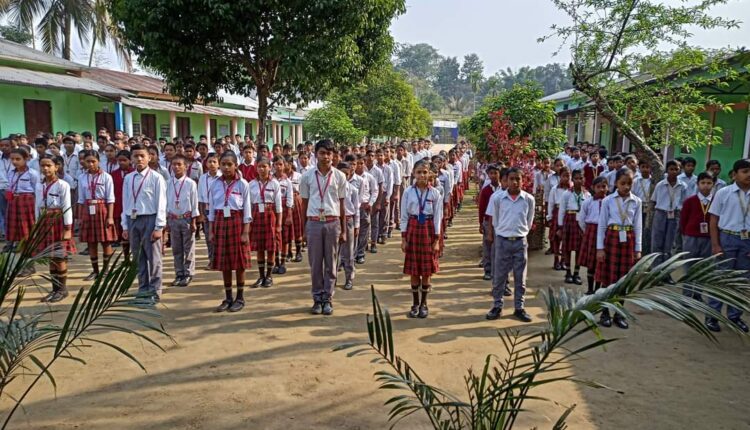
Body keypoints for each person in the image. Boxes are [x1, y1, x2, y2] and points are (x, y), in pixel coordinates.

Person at [300, 139, 348, 316]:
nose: (326, 157)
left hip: (332, 222)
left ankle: (327, 298)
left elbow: (342, 205)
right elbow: (304, 204)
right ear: (316, 155)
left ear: (333, 155)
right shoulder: (307, 177)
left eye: (329, 153)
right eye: (322, 153)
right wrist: (303, 229)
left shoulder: (340, 176)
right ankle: (317, 298)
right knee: (315, 264)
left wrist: (343, 230)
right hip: (313, 222)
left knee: (331, 263)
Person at [485, 167, 534, 322]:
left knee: (520, 277)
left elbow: (529, 221)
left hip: (520, 241)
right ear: (506, 180)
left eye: (518, 179)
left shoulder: (528, 199)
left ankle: (519, 307)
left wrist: (520, 233)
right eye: (511, 179)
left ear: (522, 180)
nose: (514, 182)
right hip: (502, 241)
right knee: (499, 275)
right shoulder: (498, 198)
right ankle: (497, 306)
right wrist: (499, 233)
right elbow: (495, 220)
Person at [707, 159, 750, 333]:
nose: (748, 175)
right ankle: (712, 315)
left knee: (742, 280)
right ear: (735, 174)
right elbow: (713, 220)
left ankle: (734, 316)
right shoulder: (723, 193)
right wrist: (715, 244)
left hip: (747, 241)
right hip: (727, 238)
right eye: (745, 171)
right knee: (721, 277)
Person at [596, 167, 642, 329]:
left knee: (624, 279)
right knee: (608, 279)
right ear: (616, 183)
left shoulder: (637, 201)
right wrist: (600, 248)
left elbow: (638, 226)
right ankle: (605, 313)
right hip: (612, 238)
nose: (626, 187)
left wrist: (638, 249)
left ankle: (619, 313)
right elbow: (602, 225)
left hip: (628, 240)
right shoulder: (608, 200)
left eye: (629, 183)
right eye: (623, 183)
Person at [121, 144, 167, 303]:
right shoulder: (128, 178)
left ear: (149, 157)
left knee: (154, 258)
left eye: (142, 156)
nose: (139, 159)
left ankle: (155, 291)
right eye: (136, 156)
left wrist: (159, 227)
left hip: (150, 219)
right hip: (133, 219)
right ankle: (143, 289)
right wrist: (125, 225)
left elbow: (161, 203)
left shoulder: (156, 178)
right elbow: (125, 202)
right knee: (138, 257)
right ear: (131, 159)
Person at [208, 151, 252, 312]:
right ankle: (228, 297)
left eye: (229, 164)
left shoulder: (243, 184)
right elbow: (212, 209)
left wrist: (245, 232)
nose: (226, 167)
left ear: (236, 165)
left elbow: (247, 210)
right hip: (220, 222)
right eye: (223, 164)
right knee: (224, 263)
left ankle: (240, 297)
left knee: (239, 263)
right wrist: (211, 230)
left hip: (237, 222)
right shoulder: (215, 184)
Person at [399, 160, 442, 318]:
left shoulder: (435, 193)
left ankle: (424, 303)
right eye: (419, 172)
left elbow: (437, 218)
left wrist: (436, 240)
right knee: (414, 270)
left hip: (428, 231)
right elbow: (404, 216)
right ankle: (415, 303)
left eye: (425, 172)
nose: (422, 175)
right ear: (413, 173)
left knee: (427, 270)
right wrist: (403, 238)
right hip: (413, 228)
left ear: (429, 173)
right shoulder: (408, 192)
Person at [35, 155, 76, 302]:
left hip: (58, 221)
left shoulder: (62, 185)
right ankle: (54, 289)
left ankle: (62, 289)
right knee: (50, 257)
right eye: (42, 165)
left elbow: (67, 207)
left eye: (49, 165)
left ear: (56, 167)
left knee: (59, 257)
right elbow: (37, 205)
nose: (45, 168)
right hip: (45, 221)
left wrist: (68, 228)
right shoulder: (39, 185)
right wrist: (37, 224)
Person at [78, 150, 117, 281]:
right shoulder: (82, 177)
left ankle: (106, 270)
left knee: (106, 242)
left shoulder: (106, 177)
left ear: (98, 161)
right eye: (88, 161)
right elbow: (81, 199)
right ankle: (95, 271)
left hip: (102, 209)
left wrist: (110, 217)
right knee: (91, 242)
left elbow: (110, 199)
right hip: (88, 209)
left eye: (93, 161)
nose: (90, 164)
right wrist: (80, 217)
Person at [680, 171, 715, 301]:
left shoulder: (716, 201)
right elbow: (683, 220)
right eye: (703, 183)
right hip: (691, 238)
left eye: (709, 183)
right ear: (697, 184)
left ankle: (698, 294)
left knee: (704, 267)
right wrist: (686, 234)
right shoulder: (690, 201)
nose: (706, 186)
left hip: (709, 238)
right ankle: (687, 295)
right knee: (689, 266)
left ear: (713, 184)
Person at [166, 155, 199, 287]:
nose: (176, 167)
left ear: (186, 166)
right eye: (174, 164)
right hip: (173, 218)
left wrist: (194, 221)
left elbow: (194, 204)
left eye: (179, 164)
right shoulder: (168, 183)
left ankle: (188, 273)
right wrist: (167, 221)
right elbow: (166, 202)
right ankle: (179, 273)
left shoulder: (190, 183)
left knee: (188, 248)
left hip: (186, 218)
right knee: (176, 248)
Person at [249, 157, 282, 288]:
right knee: (260, 248)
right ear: (256, 168)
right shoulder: (251, 184)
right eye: (259, 167)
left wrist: (279, 224)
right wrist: (249, 222)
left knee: (271, 248)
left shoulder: (275, 184)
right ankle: (261, 275)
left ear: (270, 167)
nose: (262, 169)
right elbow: (249, 205)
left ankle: (269, 276)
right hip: (256, 215)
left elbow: (278, 206)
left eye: (264, 166)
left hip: (270, 216)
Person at [650, 160, 686, 268]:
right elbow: (654, 200)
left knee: (670, 242)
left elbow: (684, 202)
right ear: (667, 170)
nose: (674, 171)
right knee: (657, 241)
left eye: (676, 169)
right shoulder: (660, 185)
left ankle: (666, 268)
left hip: (675, 214)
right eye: (671, 169)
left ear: (680, 170)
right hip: (661, 213)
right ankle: (655, 268)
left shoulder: (683, 186)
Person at [557, 169, 590, 284]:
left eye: (581, 178)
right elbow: (562, 210)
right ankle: (568, 272)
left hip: (581, 222)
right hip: (569, 221)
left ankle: (576, 273)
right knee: (567, 248)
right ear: (572, 180)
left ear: (584, 179)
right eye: (576, 178)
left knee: (579, 249)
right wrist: (560, 227)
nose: (579, 181)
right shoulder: (567, 194)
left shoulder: (587, 194)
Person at [5, 147, 39, 256]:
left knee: (27, 228)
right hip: (14, 202)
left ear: (26, 158)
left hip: (27, 203)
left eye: (18, 159)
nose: (14, 162)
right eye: (12, 159)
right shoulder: (11, 173)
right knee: (17, 230)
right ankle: (21, 251)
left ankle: (30, 253)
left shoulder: (33, 173)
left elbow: (37, 191)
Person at [578, 176, 608, 295]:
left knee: (601, 262)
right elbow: (581, 219)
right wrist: (587, 231)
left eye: (604, 186)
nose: (601, 189)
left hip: (605, 232)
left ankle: (597, 289)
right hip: (591, 231)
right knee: (591, 263)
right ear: (593, 188)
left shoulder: (609, 202)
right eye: (598, 187)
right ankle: (590, 288)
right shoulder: (588, 202)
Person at [337, 162, 360, 291]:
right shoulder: (332, 188)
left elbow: (356, 209)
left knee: (349, 252)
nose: (344, 176)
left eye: (346, 174)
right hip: (335, 220)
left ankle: (349, 278)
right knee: (333, 251)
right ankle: (332, 278)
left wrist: (356, 225)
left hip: (348, 220)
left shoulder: (352, 189)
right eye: (342, 173)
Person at [272, 155, 294, 275]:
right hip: (273, 210)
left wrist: (289, 214)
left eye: (281, 164)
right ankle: (275, 262)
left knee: (285, 238)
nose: (279, 167)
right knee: (275, 237)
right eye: (276, 164)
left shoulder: (287, 181)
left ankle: (283, 262)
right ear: (273, 166)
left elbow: (290, 198)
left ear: (284, 165)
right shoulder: (270, 180)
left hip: (285, 210)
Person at [478, 164, 501, 280]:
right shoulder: (486, 190)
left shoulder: (504, 189)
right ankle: (487, 270)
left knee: (499, 246)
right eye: (491, 173)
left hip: (501, 222)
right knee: (488, 246)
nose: (493, 175)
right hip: (488, 221)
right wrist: (481, 223)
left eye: (495, 173)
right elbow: (482, 207)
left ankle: (497, 270)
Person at [547, 166, 571, 270]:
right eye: (564, 176)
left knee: (566, 238)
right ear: (560, 177)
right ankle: (556, 259)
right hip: (557, 213)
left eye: (568, 176)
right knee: (556, 238)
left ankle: (563, 260)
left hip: (568, 214)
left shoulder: (572, 189)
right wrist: (550, 217)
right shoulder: (555, 189)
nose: (566, 178)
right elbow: (551, 204)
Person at [354, 154, 376, 264]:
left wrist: (370, 203)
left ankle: (360, 254)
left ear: (365, 164)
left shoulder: (369, 177)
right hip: (352, 208)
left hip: (364, 207)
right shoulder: (349, 177)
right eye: (357, 163)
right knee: (353, 232)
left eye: (361, 163)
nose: (359, 166)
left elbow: (375, 191)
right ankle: (351, 254)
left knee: (364, 231)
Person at [111, 150, 133, 258]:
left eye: (124, 160)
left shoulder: (134, 173)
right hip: (118, 206)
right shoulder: (113, 174)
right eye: (119, 160)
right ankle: (126, 257)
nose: (122, 162)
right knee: (123, 232)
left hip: (132, 207)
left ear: (130, 160)